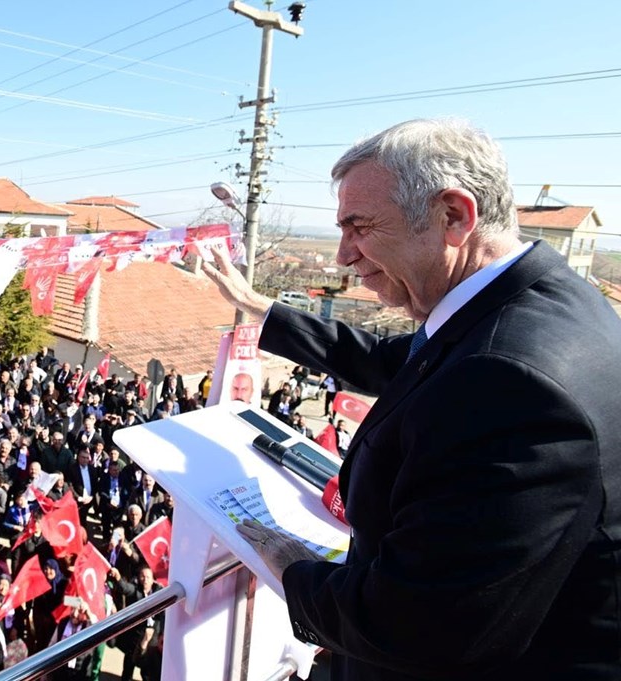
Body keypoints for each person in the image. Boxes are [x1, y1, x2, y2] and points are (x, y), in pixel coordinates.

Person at [204, 118, 621, 680]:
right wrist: (263, 309)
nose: (342, 256)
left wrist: (292, 569)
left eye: (360, 227)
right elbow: (399, 362)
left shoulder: (507, 379)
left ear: (453, 216)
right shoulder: (525, 301)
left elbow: (418, 622)